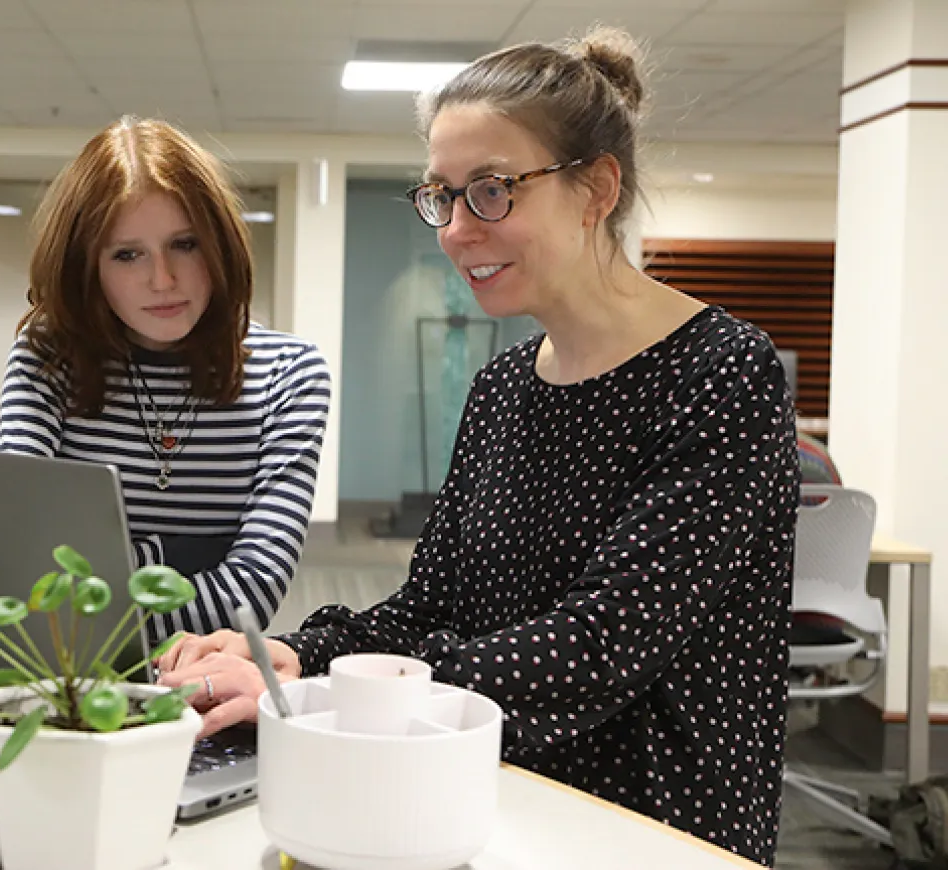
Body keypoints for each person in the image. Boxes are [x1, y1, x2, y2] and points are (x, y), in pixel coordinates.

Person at [155, 27, 800, 867]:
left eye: (491, 191)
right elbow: (430, 608)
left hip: (650, 827)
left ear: (596, 188)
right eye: (441, 196)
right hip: (491, 801)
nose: (456, 230)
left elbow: (598, 646)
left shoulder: (721, 374)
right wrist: (291, 651)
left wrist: (325, 691)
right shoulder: (503, 390)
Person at [0, 116, 332, 647]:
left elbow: (253, 593)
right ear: (88, 267)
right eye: (127, 254)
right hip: (64, 682)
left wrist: (110, 568)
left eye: (185, 244)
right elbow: (17, 556)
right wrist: (180, 555)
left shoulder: (290, 374)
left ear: (219, 244)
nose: (163, 279)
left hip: (198, 679)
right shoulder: (47, 357)